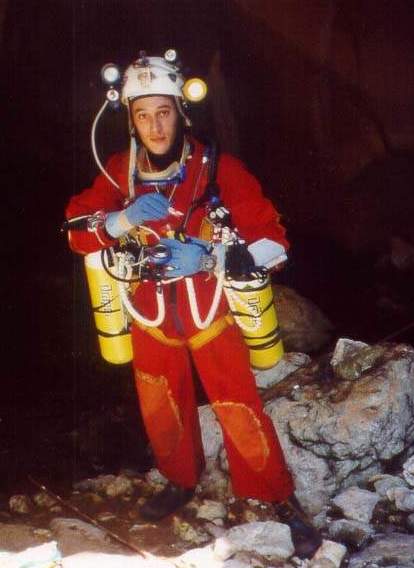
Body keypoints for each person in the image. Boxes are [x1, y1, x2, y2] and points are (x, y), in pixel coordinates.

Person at [65, 52, 321, 557]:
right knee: (160, 406)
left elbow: (274, 243)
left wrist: (209, 256)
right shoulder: (118, 174)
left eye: (163, 112)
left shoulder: (220, 170)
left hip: (212, 314)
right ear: (131, 121)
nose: (155, 126)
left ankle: (279, 498)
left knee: (240, 409)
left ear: (181, 112)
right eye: (143, 115)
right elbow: (76, 231)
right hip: (150, 317)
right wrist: (119, 220)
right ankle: (180, 480)